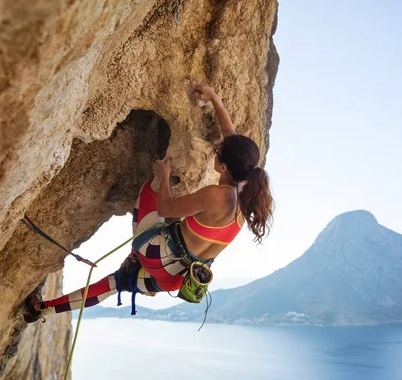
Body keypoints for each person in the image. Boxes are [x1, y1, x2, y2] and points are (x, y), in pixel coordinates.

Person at [23, 85, 273, 323]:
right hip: (177, 279)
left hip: (156, 254)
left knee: (150, 191)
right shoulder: (245, 196)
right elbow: (231, 138)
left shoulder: (217, 195)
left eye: (218, 153)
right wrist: (215, 99)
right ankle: (41, 309)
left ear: (225, 167)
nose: (215, 151)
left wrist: (163, 176)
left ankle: (136, 256)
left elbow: (165, 209)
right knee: (114, 284)